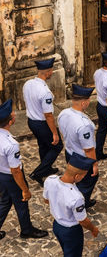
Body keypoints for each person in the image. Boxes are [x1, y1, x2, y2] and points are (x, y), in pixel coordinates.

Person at [0, 99, 48, 240]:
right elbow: (15, 171)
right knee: (21, 201)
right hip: (10, 176)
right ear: (10, 121)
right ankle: (27, 230)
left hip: (1, 174)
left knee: (5, 201)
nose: (14, 115)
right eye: (13, 114)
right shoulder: (11, 144)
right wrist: (25, 190)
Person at [43, 153, 98, 256]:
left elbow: (46, 200)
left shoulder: (50, 180)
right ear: (77, 176)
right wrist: (93, 229)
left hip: (57, 225)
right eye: (83, 175)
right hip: (71, 231)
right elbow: (83, 221)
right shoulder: (76, 197)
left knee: (67, 250)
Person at [23, 57, 63, 186]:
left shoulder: (28, 83)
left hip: (31, 121)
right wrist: (55, 133)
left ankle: (46, 168)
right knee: (57, 146)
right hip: (42, 123)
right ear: (48, 71)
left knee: (43, 145)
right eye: (51, 71)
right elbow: (48, 115)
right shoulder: (45, 92)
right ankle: (38, 173)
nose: (52, 73)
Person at [58, 85, 98, 209]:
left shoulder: (63, 113)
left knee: (74, 180)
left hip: (69, 152)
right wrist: (94, 165)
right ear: (84, 103)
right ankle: (80, 204)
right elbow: (89, 149)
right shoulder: (84, 124)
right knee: (87, 182)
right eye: (88, 101)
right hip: (82, 158)